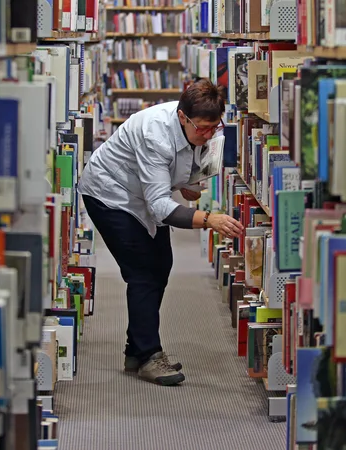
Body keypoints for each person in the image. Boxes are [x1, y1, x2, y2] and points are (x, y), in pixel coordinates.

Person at [77, 79, 245, 386]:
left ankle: (136, 349)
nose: (208, 134)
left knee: (160, 265)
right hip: (110, 195)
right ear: (183, 117)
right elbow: (159, 207)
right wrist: (209, 219)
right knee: (142, 272)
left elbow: (184, 174)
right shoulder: (156, 135)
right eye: (202, 128)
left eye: (214, 127)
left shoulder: (202, 130)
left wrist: (190, 185)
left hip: (143, 196)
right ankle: (148, 356)